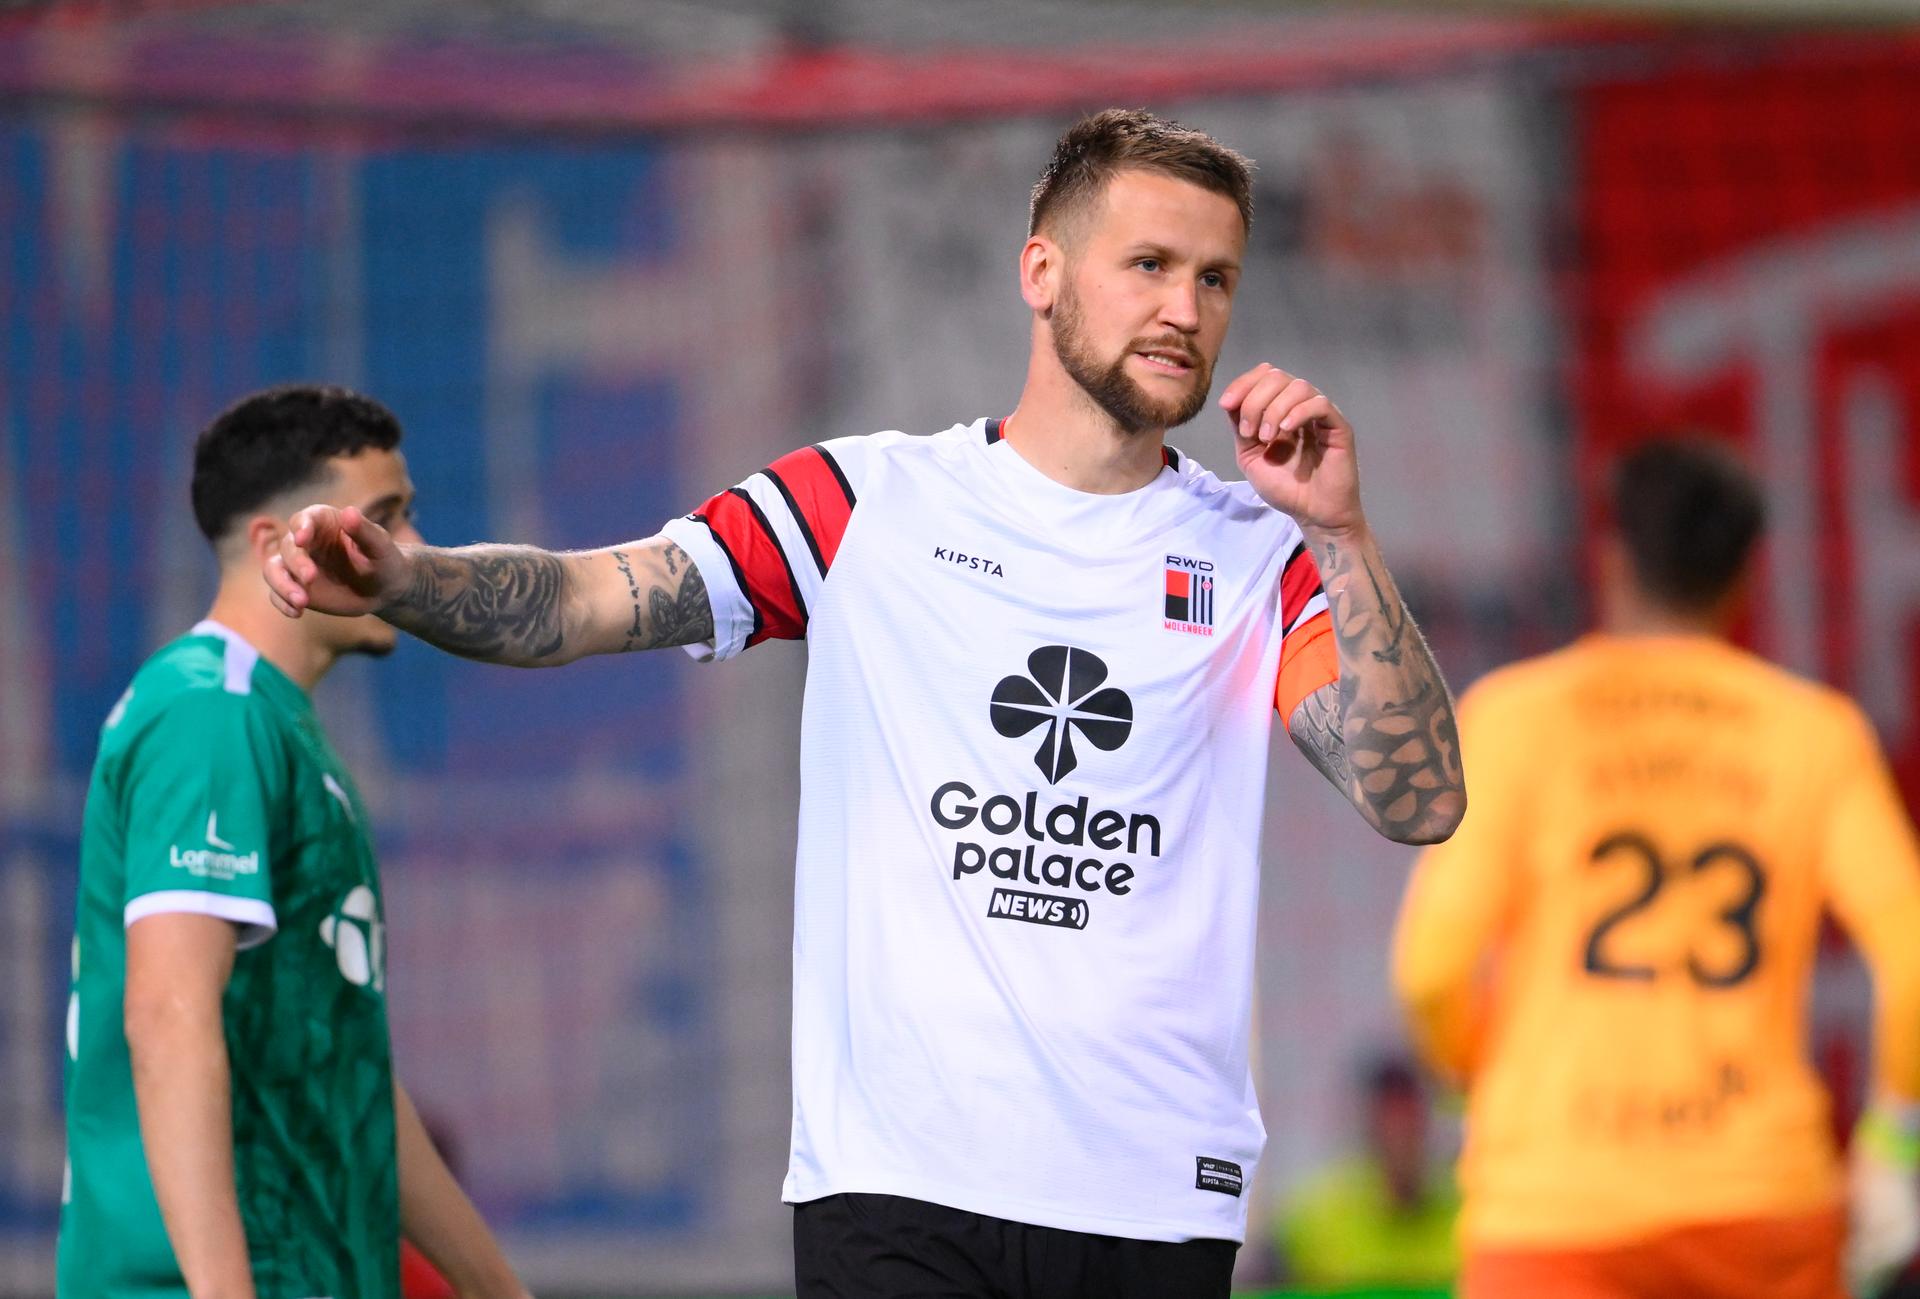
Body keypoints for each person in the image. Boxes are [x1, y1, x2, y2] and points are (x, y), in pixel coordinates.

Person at [265, 109, 1466, 1299]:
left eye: (1215, 279)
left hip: (1151, 1195)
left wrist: (1344, 532)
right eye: (1148, 264)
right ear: (1040, 273)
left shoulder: (1262, 552)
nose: (1185, 310)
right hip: (896, 1189)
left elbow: (1411, 798)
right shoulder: (859, 503)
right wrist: (411, 581)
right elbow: (589, 601)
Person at [1391, 438, 1920, 1299]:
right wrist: (1895, 1144)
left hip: (1557, 1206)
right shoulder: (1816, 733)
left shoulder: (1519, 718)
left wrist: (1473, 1084)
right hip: (1763, 1204)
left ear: (1614, 554)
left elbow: (1429, 971)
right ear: (1747, 572)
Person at [59, 386, 528, 1299]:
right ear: (280, 546)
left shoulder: (278, 728)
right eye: (384, 519)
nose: (412, 553)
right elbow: (167, 1017)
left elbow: (349, 1079)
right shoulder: (209, 712)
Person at [1272, 1056, 1459, 1289]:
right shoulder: (1319, 1218)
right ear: (1370, 1130)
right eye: (1391, 1126)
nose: (1400, 1138)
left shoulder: (1464, 1219)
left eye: (1410, 1126)